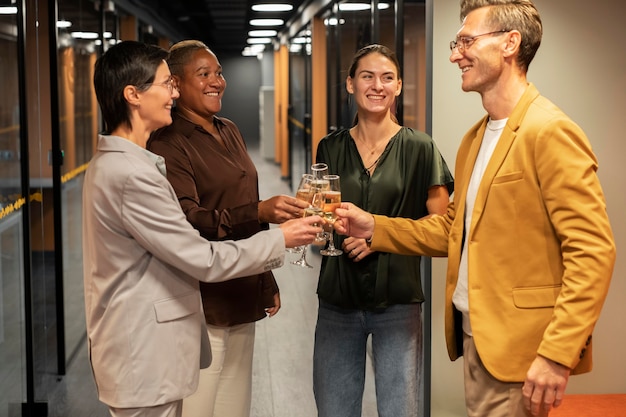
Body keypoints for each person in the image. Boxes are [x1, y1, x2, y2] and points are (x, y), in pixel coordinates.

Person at [334, 2, 616, 417]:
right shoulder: (476, 137)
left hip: (521, 350)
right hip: (477, 341)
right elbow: (452, 231)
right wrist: (372, 225)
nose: (454, 54)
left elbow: (593, 252)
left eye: (466, 41)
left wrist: (557, 353)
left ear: (509, 43)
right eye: (455, 43)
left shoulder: (549, 130)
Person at [84, 40, 321, 417]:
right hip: (146, 351)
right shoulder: (132, 172)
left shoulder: (133, 162)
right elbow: (200, 256)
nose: (172, 93)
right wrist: (280, 237)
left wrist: (264, 273)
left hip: (166, 339)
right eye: (166, 84)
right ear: (132, 94)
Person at [146, 39, 309, 417]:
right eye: (203, 74)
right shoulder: (169, 144)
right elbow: (189, 219)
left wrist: (265, 280)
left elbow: (247, 208)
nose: (216, 81)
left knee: (235, 409)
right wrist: (259, 210)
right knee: (201, 408)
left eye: (218, 73)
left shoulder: (229, 129)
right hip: (203, 303)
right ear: (177, 84)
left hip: (241, 291)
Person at [313, 44, 454, 417]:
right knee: (334, 409)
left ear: (399, 86)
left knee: (399, 410)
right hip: (337, 299)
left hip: (397, 302)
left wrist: (379, 238)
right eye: (367, 76)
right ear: (350, 84)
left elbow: (442, 227)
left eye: (387, 77)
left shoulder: (421, 148)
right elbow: (323, 216)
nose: (377, 86)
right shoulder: (330, 146)